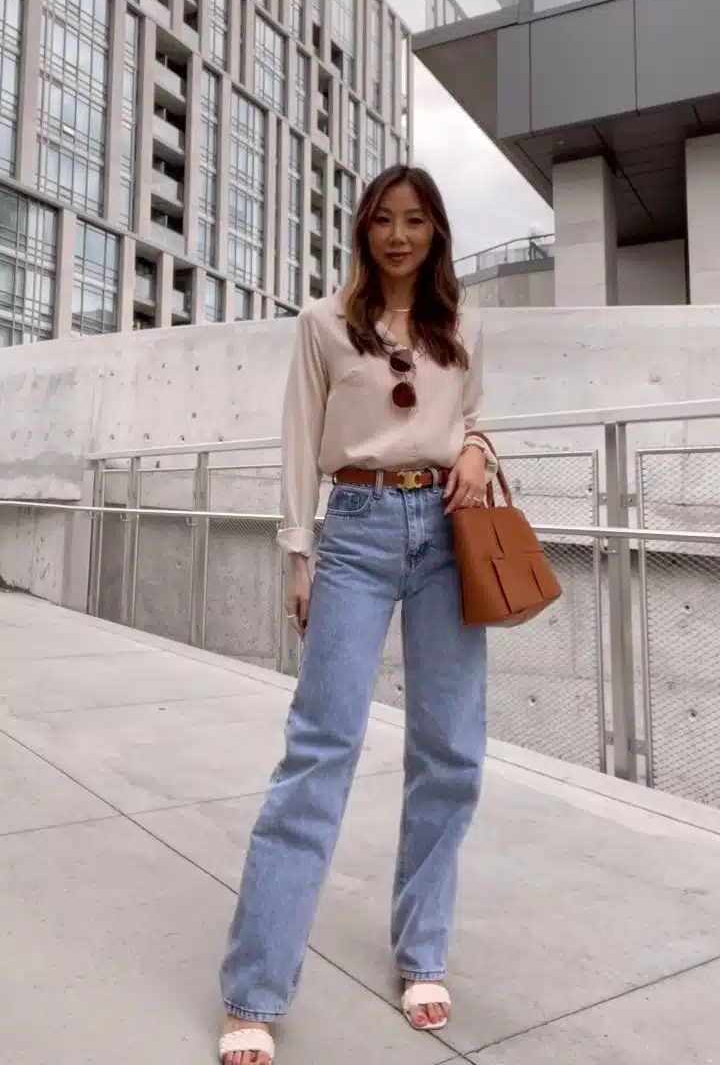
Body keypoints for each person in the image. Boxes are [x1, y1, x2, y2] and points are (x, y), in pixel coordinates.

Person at [218, 164, 496, 1065]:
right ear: (364, 230)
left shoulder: (462, 324)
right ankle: (254, 991)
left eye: (415, 220)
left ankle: (424, 953)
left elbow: (475, 415)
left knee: (448, 751)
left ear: (437, 231)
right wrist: (298, 553)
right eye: (384, 220)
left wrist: (482, 447)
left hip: (450, 534)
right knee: (319, 751)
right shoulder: (324, 323)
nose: (399, 235)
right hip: (359, 529)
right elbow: (301, 437)